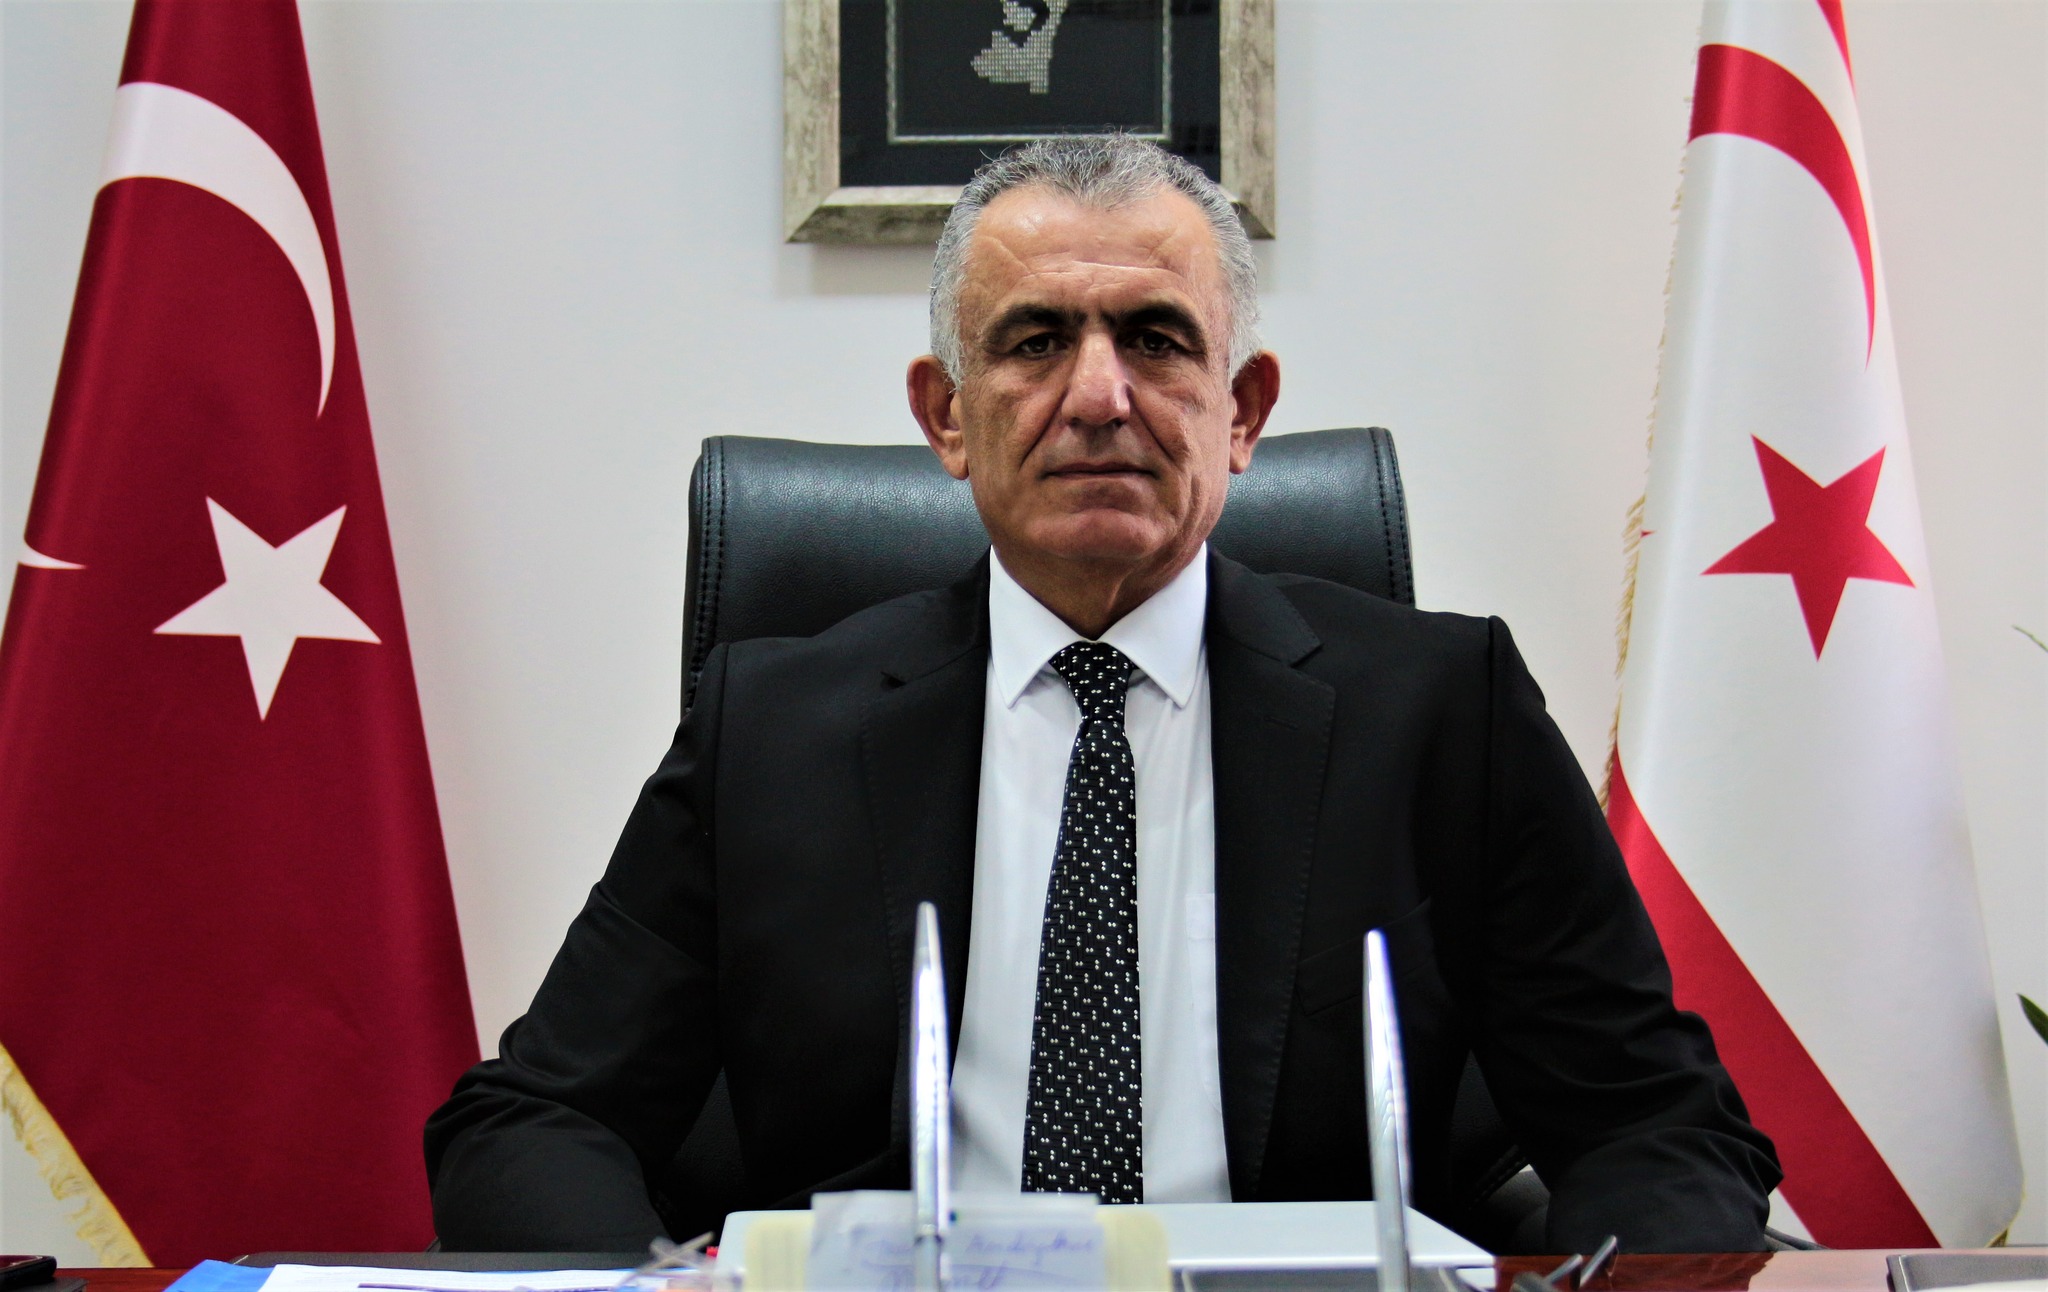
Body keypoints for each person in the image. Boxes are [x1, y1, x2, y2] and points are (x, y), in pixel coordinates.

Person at [425, 135, 1779, 1254]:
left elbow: (1655, 1128)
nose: (1098, 396)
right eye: (1032, 341)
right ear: (946, 417)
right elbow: (537, 1121)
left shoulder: (1441, 714)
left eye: (1156, 338)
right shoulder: (772, 729)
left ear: (1242, 412)